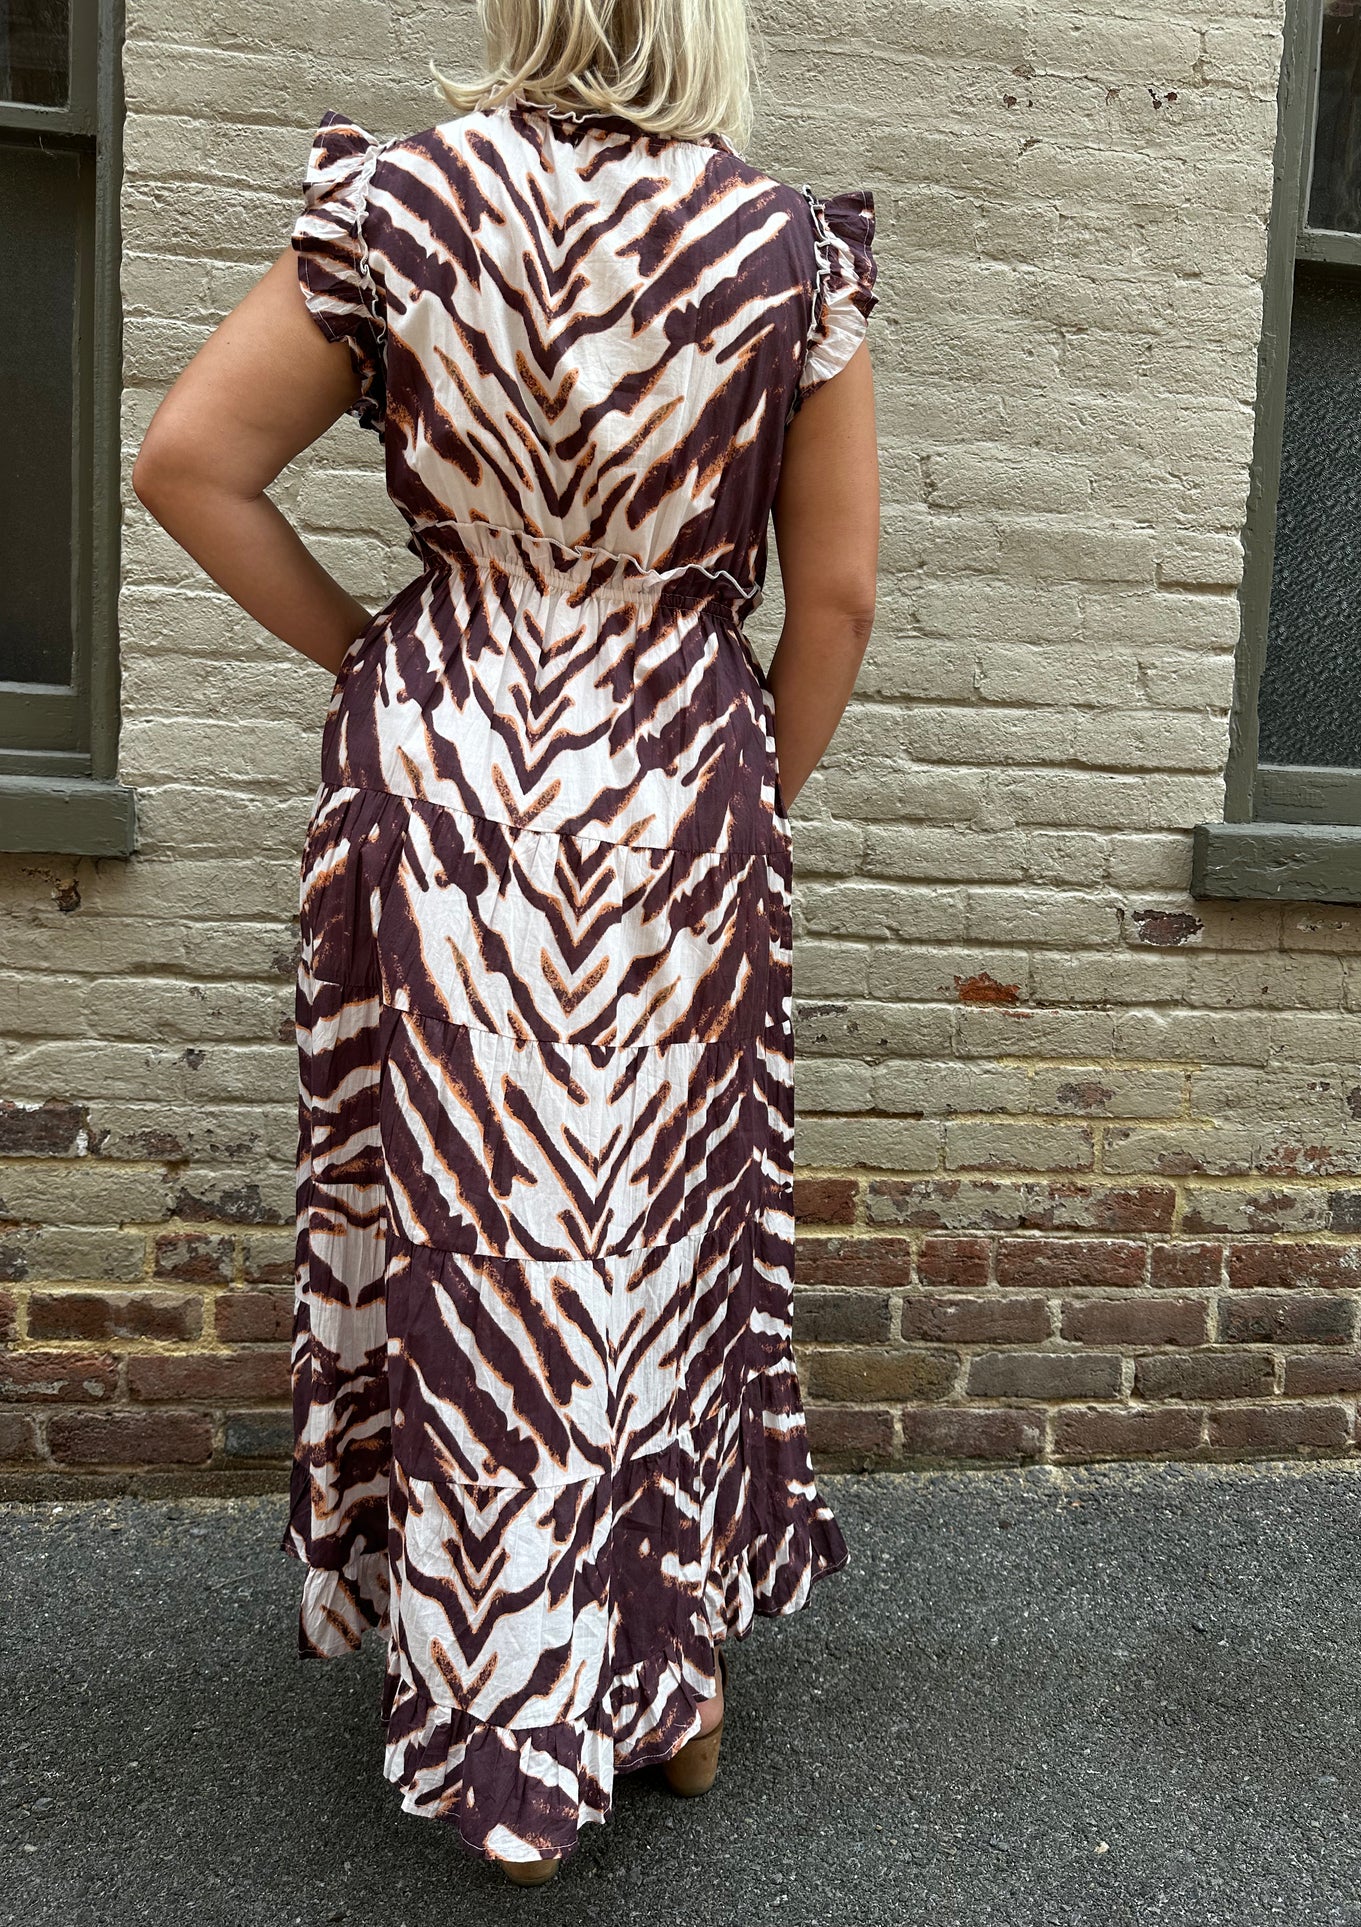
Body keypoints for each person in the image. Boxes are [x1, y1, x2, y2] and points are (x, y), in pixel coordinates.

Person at [132, 0, 879, 1886]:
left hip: (441, 771)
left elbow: (189, 465)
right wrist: (739, 797)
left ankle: (492, 1703)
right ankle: (669, 1695)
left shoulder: (395, 209)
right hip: (675, 778)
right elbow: (839, 599)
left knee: (471, 1231)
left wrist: (388, 668)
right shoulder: (785, 253)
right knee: (654, 1233)